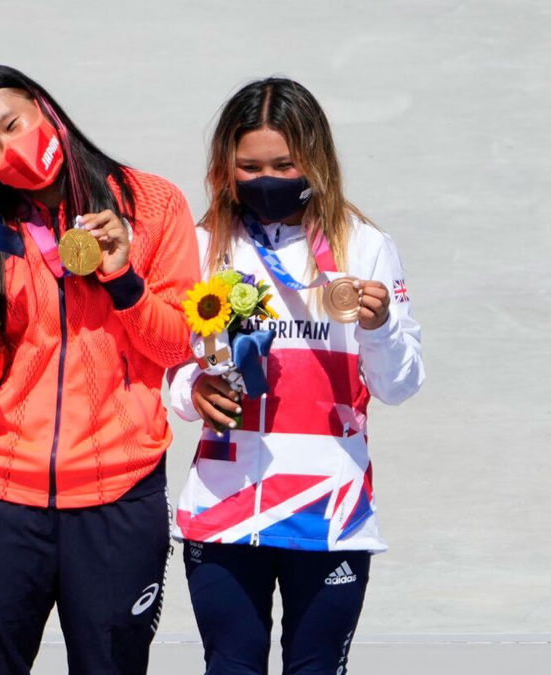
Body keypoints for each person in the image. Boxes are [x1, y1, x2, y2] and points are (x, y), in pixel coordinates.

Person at [0, 64, 199, 675]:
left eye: (13, 125)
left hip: (117, 499)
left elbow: (178, 346)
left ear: (44, 106)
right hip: (0, 497)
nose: (9, 152)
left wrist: (123, 277)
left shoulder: (150, 202)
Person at [168, 78, 425, 675]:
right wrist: (191, 390)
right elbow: (170, 373)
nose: (267, 179)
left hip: (330, 510)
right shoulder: (202, 247)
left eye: (284, 164)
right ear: (223, 169)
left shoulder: (365, 247)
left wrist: (382, 326)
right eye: (249, 166)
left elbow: (400, 385)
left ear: (316, 160)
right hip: (224, 507)